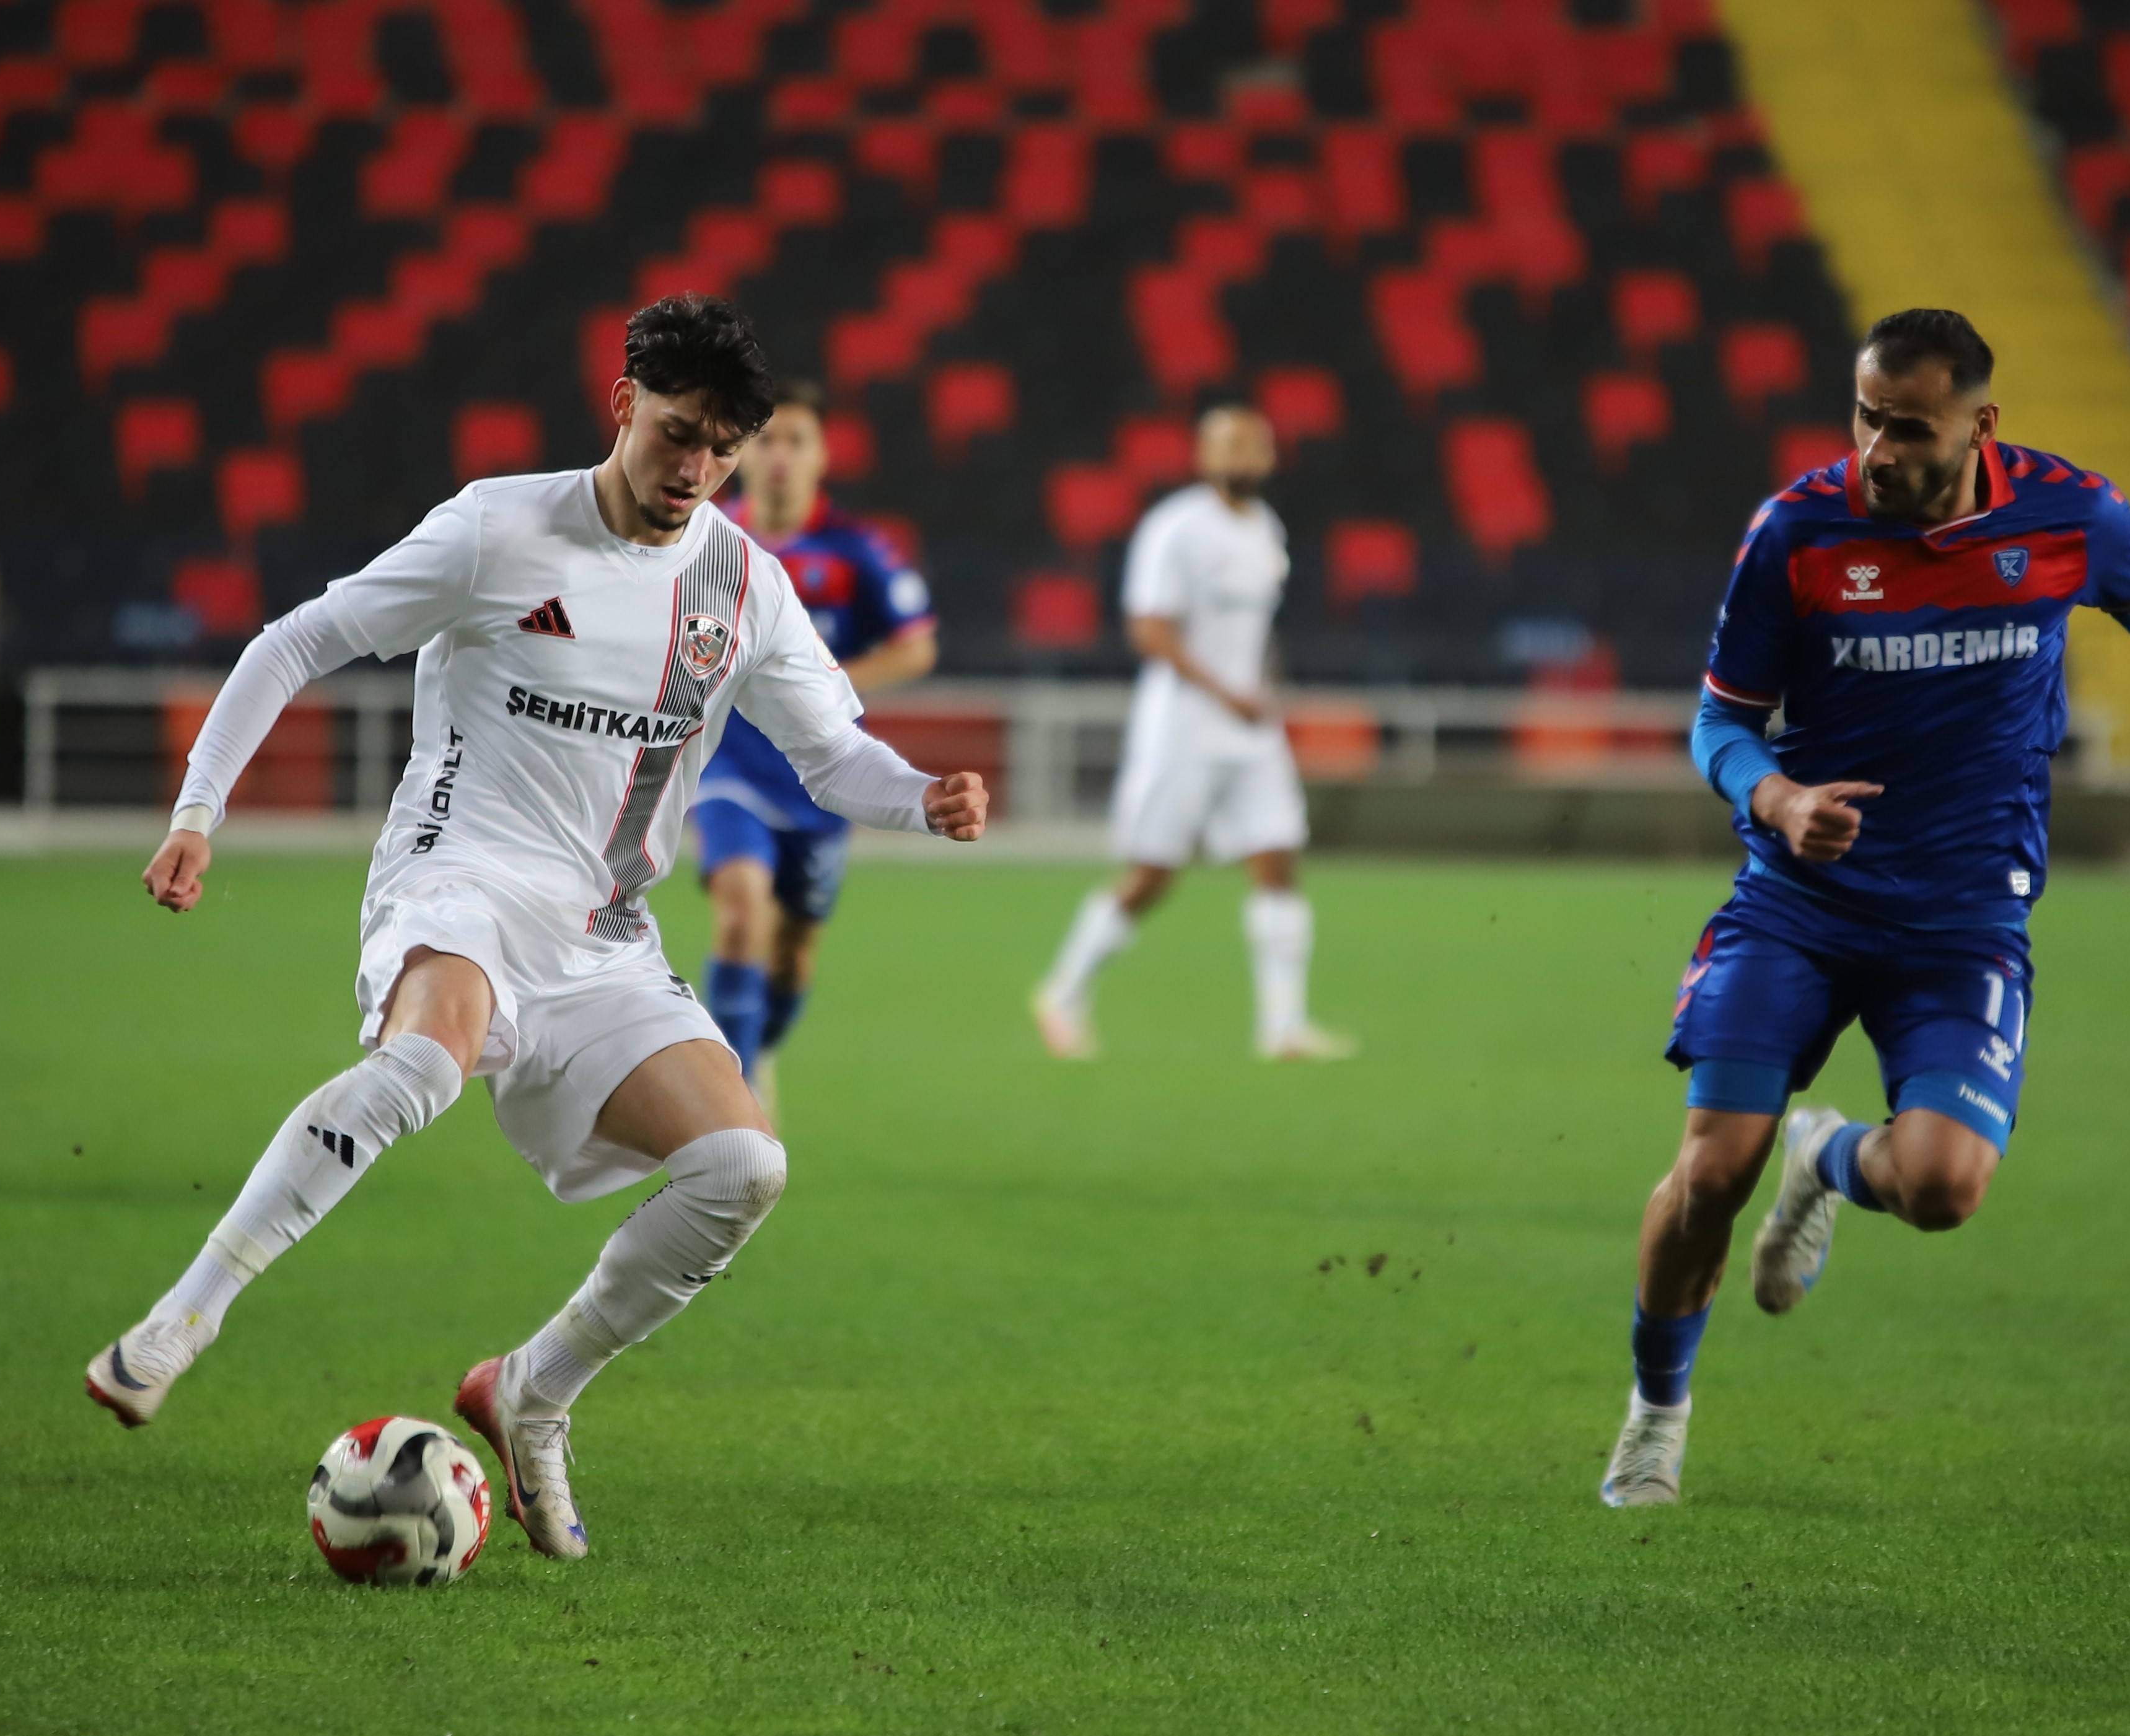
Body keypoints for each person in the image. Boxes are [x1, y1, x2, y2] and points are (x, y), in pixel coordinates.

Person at [84, 297, 990, 1561]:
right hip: (454, 881)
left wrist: (921, 799)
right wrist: (198, 812)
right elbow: (298, 642)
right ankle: (183, 1319)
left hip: (603, 939)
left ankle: (533, 1389)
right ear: (621, 405)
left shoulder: (741, 583)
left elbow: (831, 754)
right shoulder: (498, 529)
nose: (695, 469)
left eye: (722, 446)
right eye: (676, 433)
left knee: (745, 1172)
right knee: (421, 1062)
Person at [1601, 309, 2130, 1508]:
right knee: (1707, 1171)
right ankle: (1654, 1417)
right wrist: (1775, 800)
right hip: (1798, 904)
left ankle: (1826, 1158)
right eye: (1863, 416)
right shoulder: (1797, 531)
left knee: (1942, 1189)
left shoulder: (2067, 516)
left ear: (1978, 425)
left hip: (1959, 920)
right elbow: (1718, 718)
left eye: (1907, 427)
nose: (1876, 447)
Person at [1032, 403, 1352, 1062]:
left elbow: (1257, 635)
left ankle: (1283, 1026)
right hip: (1182, 726)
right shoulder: (1175, 528)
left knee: (1280, 858)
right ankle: (1062, 992)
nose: (1241, 458)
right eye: (1227, 446)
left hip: (1250, 727)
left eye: (1253, 446)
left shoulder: (1267, 527)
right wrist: (1228, 692)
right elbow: (1149, 629)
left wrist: (1262, 687)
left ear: (1269, 458)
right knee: (1153, 875)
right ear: (1203, 457)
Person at [691, 379, 936, 1121]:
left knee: (794, 949)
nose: (779, 456)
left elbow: (916, 648)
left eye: (796, 440)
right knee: (741, 910)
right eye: (766, 439)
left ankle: (759, 1049)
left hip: (820, 774)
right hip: (727, 761)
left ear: (822, 455)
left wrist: (821, 682)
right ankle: (729, 1099)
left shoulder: (858, 552)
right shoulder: (705, 536)